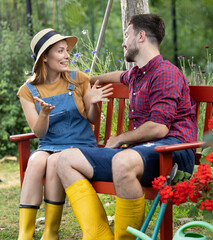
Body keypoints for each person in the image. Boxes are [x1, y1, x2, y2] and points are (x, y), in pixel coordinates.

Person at [57, 13, 197, 240]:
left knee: (123, 160)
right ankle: (99, 235)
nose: (123, 41)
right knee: (65, 160)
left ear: (141, 36)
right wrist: (87, 80)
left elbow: (160, 128)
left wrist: (120, 138)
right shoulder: (137, 74)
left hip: (172, 153)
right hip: (140, 154)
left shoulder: (165, 73)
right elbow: (119, 75)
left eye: (126, 35)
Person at [17, 28, 113, 240]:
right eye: (60, 51)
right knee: (35, 161)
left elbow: (93, 118)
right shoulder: (28, 90)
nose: (67, 56)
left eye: (67, 51)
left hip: (80, 147)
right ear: (45, 57)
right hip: (49, 145)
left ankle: (51, 231)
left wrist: (95, 104)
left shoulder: (78, 79)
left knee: (53, 163)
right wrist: (43, 114)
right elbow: (39, 132)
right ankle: (25, 233)